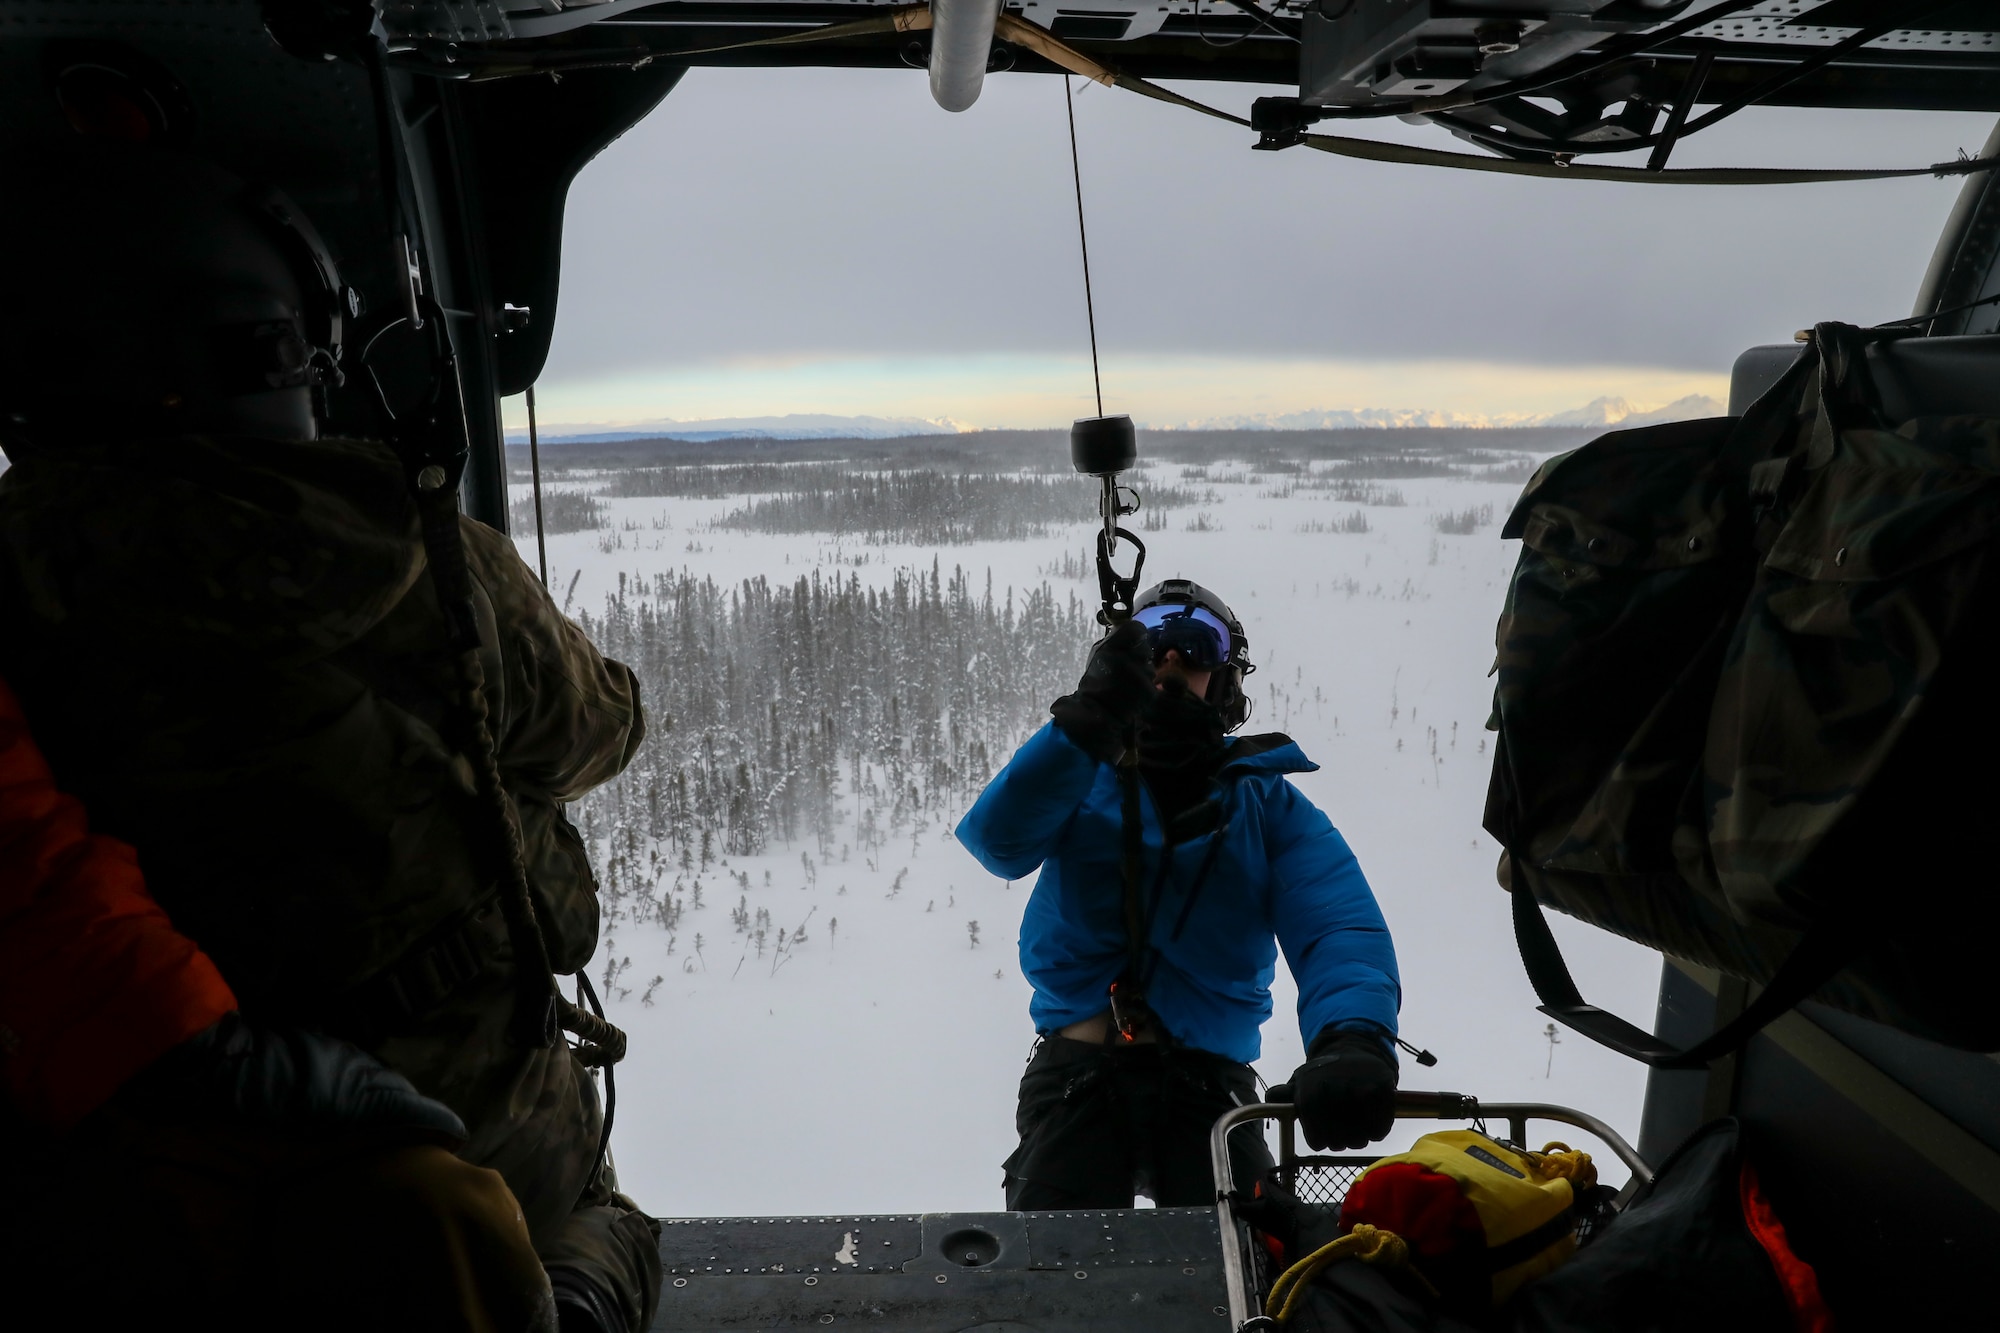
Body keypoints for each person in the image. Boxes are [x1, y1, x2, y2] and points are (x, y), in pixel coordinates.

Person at [0, 144, 655, 1331]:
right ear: (290, 347)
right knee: (598, 1219)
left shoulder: (16, 584)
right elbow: (594, 731)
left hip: (151, 1154)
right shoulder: (427, 558)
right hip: (466, 1131)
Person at [956, 579, 1403, 1209]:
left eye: (1195, 646)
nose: (1170, 660)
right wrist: (1082, 728)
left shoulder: (1266, 803)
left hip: (1210, 1087)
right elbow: (999, 843)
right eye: (1153, 644)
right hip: (1077, 1073)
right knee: (1055, 1279)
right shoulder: (1077, 772)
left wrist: (1352, 1037)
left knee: (1245, 1275)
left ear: (1223, 680)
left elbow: (1337, 926)